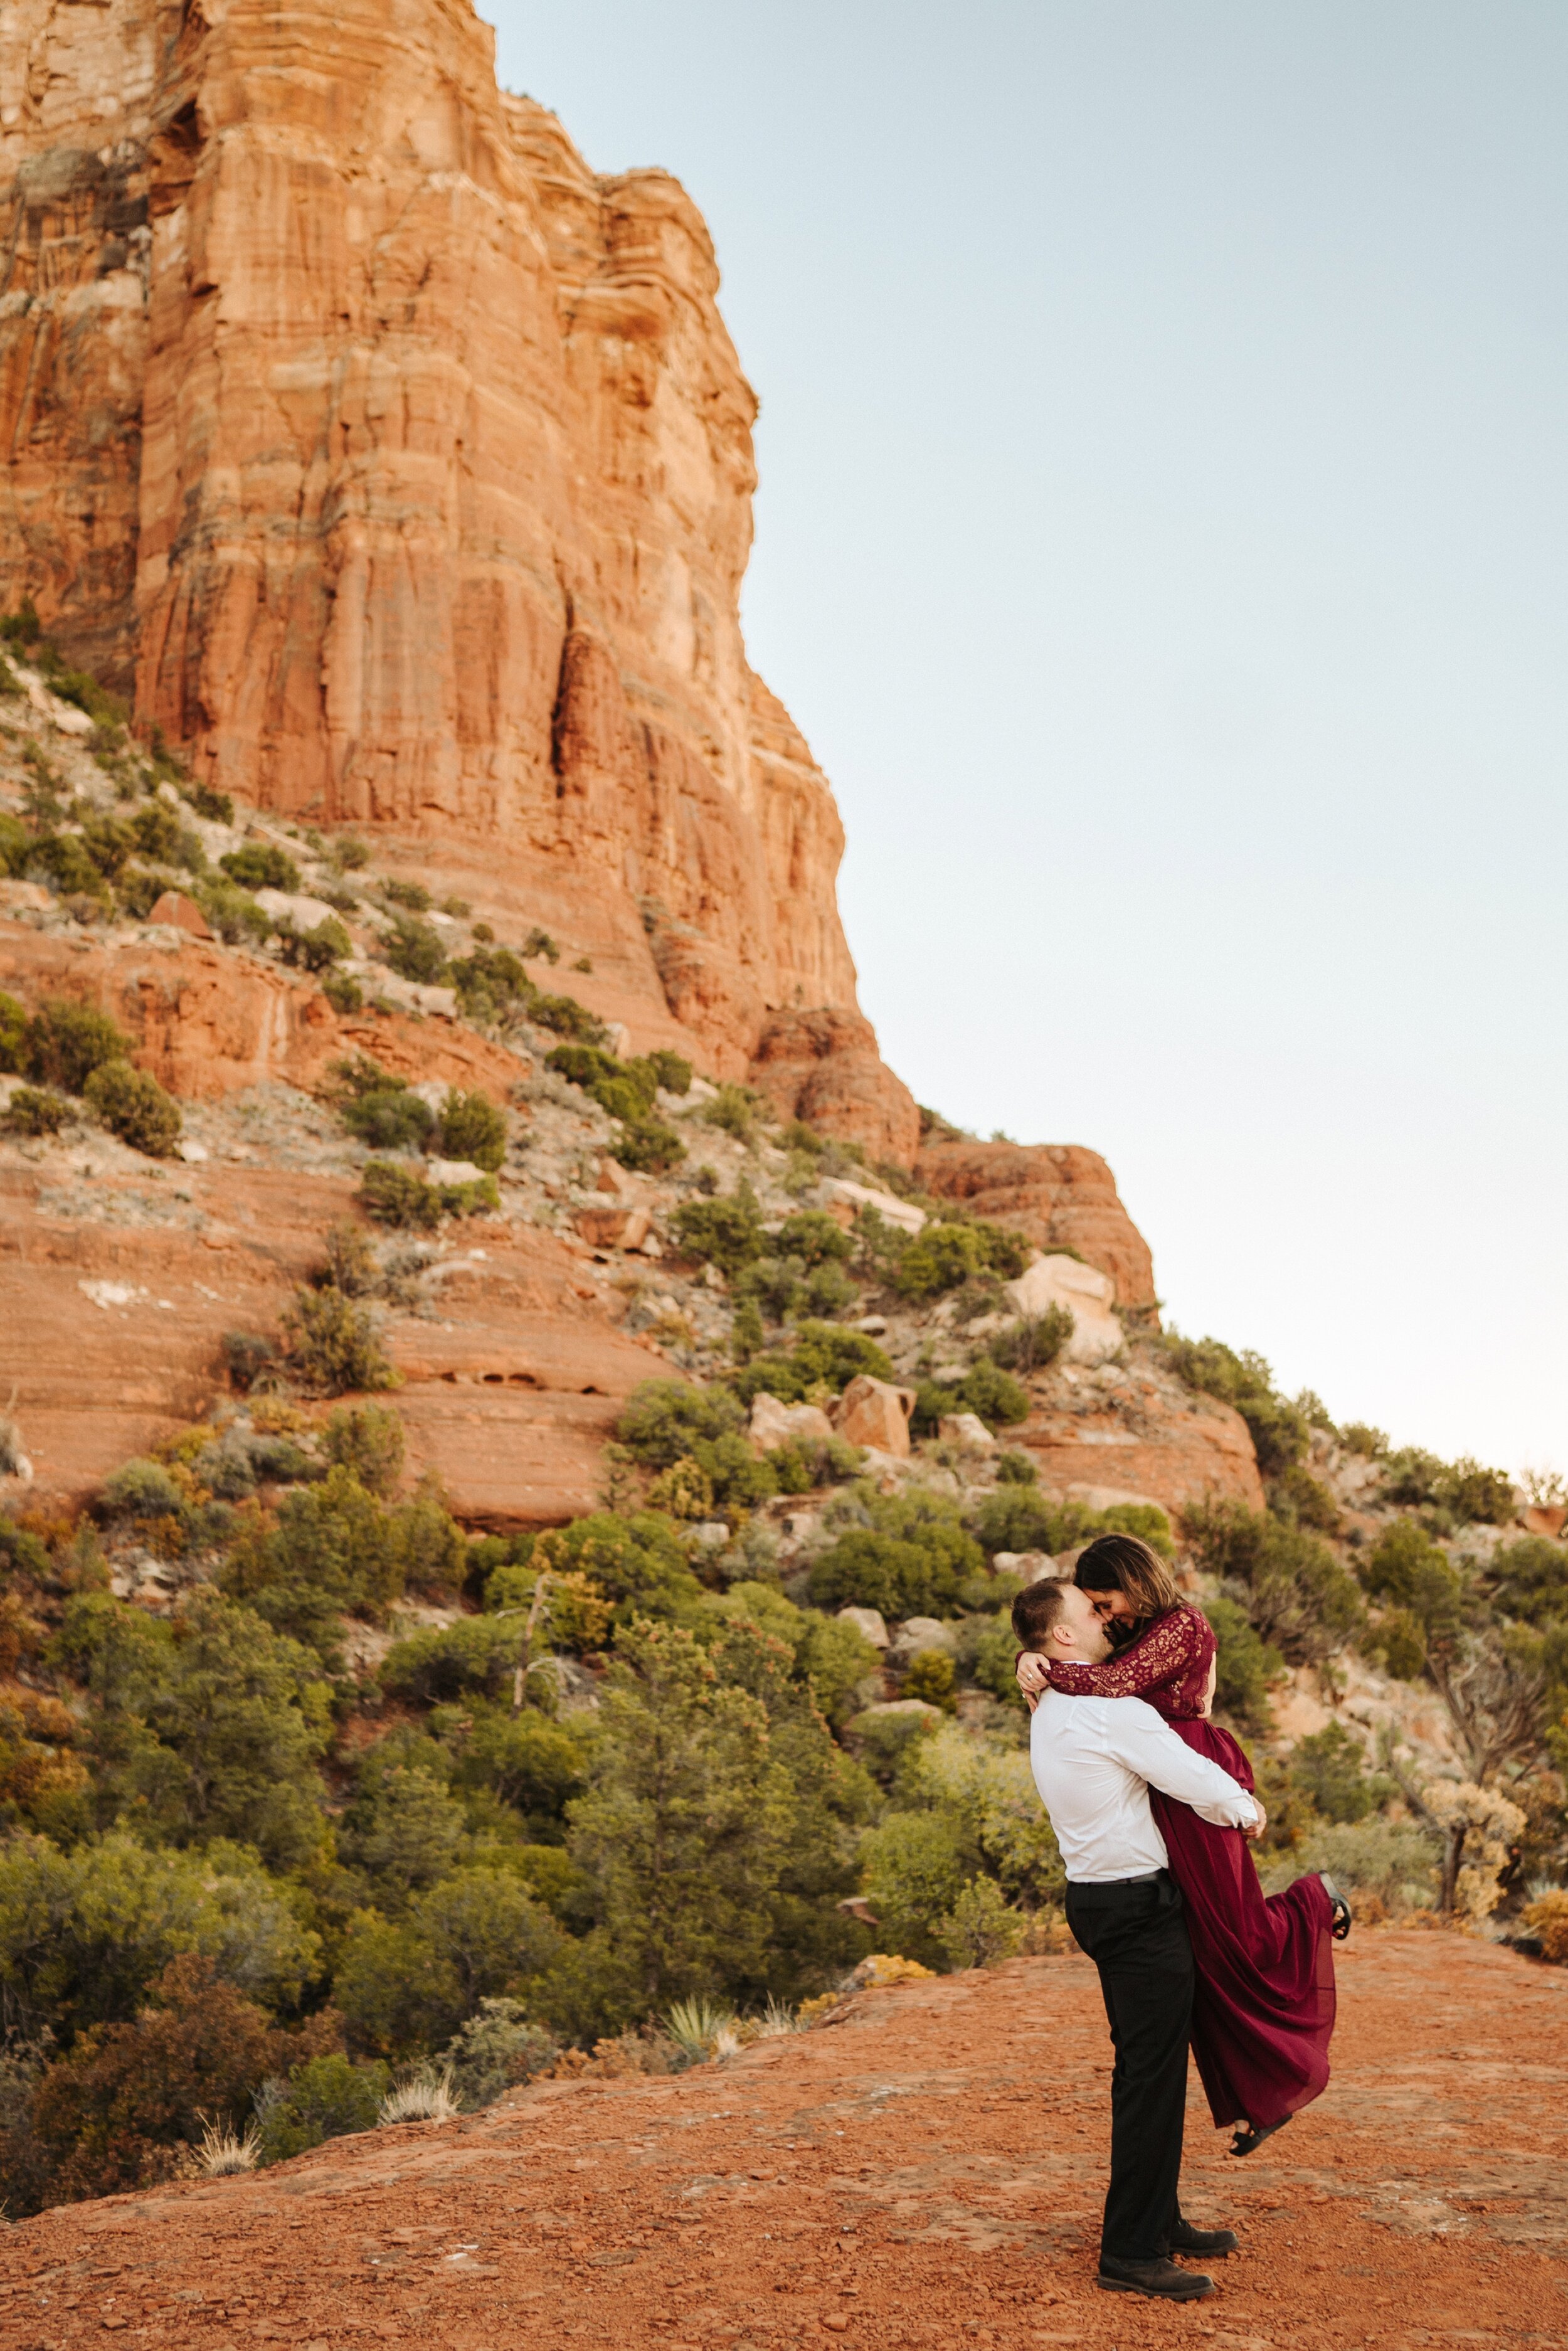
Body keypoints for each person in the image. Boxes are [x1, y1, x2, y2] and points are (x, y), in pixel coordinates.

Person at [1015, 1534, 1347, 2163]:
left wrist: (1042, 1664)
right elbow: (1095, 1673)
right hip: (1158, 1783)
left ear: (1132, 1578)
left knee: (1236, 1933)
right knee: (1203, 1966)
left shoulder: (1181, 1625)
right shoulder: (1130, 1633)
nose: (1105, 1614)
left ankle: (1312, 1900)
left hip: (1190, 1774)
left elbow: (1112, 1683)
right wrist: (1033, 1656)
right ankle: (1260, 2090)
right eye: (1093, 1608)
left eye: (1104, 1600)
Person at [1017, 1573, 1263, 2304]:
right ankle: (1129, 2250)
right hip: (1137, 1908)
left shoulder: (1053, 1701)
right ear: (1062, 1634)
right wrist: (1243, 1806)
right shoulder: (1104, 1709)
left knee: (1148, 2069)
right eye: (1088, 1610)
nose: (1101, 1617)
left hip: (1097, 1901)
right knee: (1150, 2078)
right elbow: (1186, 1773)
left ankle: (1159, 2217)